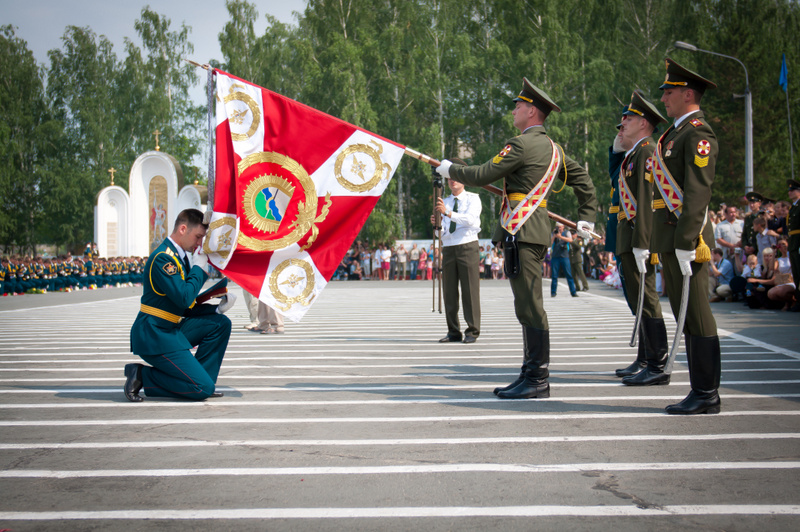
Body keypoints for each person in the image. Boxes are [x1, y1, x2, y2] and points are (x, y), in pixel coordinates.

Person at [435, 77, 597, 399]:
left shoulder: (521, 144)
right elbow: (584, 183)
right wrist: (586, 217)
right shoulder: (554, 150)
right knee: (526, 303)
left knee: (529, 305)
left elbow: (482, 175)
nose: (514, 111)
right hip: (530, 230)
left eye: (519, 106)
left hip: (523, 232)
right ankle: (529, 372)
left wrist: (449, 169)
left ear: (533, 112)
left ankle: (537, 378)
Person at [652, 57, 721, 414]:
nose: (663, 98)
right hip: (671, 237)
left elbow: (697, 193)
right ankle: (700, 390)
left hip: (687, 240)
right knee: (685, 315)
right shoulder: (676, 133)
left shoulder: (698, 134)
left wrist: (686, 241)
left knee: (696, 313)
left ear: (688, 94)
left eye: (669, 92)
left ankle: (707, 393)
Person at [125, 209, 234, 402]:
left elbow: (184, 306)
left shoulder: (179, 257)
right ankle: (142, 375)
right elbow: (184, 297)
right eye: (198, 237)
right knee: (201, 388)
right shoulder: (164, 258)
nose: (200, 243)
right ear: (183, 229)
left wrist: (216, 308)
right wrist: (198, 269)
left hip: (170, 330)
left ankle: (204, 379)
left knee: (220, 323)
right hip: (154, 334)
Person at [614, 90, 671, 385]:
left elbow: (647, 200)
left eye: (630, 118)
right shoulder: (634, 154)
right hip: (629, 233)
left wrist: (643, 242)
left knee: (647, 299)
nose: (622, 122)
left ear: (645, 123)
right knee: (639, 300)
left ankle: (657, 363)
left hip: (639, 236)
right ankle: (647, 357)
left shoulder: (648, 151)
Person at [433, 158, 482, 344]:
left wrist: (448, 213)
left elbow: (470, 220)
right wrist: (437, 226)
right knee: (449, 291)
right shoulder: (443, 202)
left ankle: (472, 330)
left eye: (456, 177)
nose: (452, 181)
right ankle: (453, 331)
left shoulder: (473, 198)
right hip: (449, 247)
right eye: (449, 178)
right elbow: (443, 232)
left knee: (470, 290)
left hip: (468, 245)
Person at [550, 223, 578, 297]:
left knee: (569, 274)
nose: (559, 228)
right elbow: (550, 243)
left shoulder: (567, 232)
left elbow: (570, 240)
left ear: (563, 227)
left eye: (560, 227)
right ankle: (553, 292)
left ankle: (573, 292)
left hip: (564, 256)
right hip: (555, 256)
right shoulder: (554, 233)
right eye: (558, 227)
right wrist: (554, 236)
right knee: (554, 275)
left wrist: (560, 237)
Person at [786, 179, 800, 311]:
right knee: (796, 272)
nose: (790, 192)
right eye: (789, 191)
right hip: (793, 243)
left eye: (793, 190)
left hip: (798, 242)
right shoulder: (793, 207)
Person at [740, 191, 763, 257]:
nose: (751, 205)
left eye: (754, 203)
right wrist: (745, 246)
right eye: (750, 203)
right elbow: (744, 234)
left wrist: (754, 246)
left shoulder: (762, 216)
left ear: (759, 203)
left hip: (759, 249)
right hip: (749, 250)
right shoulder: (748, 218)